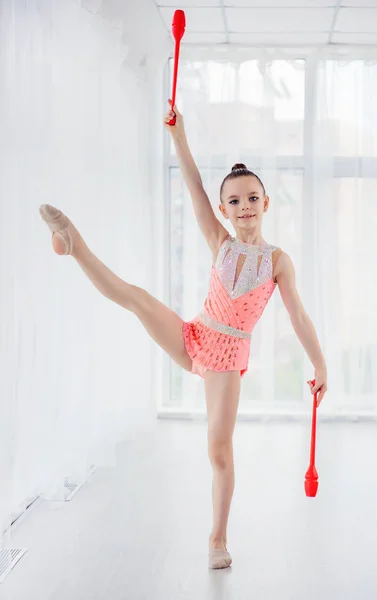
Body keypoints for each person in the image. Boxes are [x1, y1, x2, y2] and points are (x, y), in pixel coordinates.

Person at [39, 101, 327, 571]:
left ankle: (217, 537)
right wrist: (179, 137)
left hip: (229, 354)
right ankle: (74, 243)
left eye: (252, 197)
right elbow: (193, 185)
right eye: (234, 201)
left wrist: (320, 364)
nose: (244, 206)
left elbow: (298, 316)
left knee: (218, 449)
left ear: (266, 202)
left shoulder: (277, 262)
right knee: (137, 298)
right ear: (224, 209)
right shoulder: (221, 241)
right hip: (196, 334)